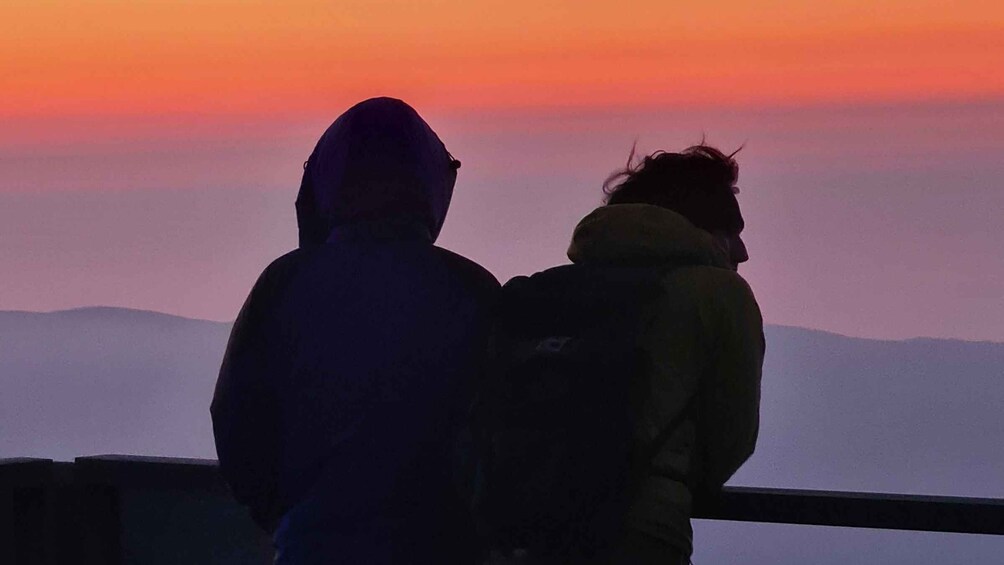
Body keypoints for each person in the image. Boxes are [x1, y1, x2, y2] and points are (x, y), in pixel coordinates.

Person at [211, 97, 499, 565]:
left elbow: (235, 416)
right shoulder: (472, 289)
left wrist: (289, 516)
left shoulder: (287, 282)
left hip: (312, 546)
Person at [481, 145, 763, 564]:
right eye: (730, 230)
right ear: (702, 230)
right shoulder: (718, 293)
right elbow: (731, 440)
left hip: (520, 531)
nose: (742, 251)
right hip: (640, 534)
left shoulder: (552, 288)